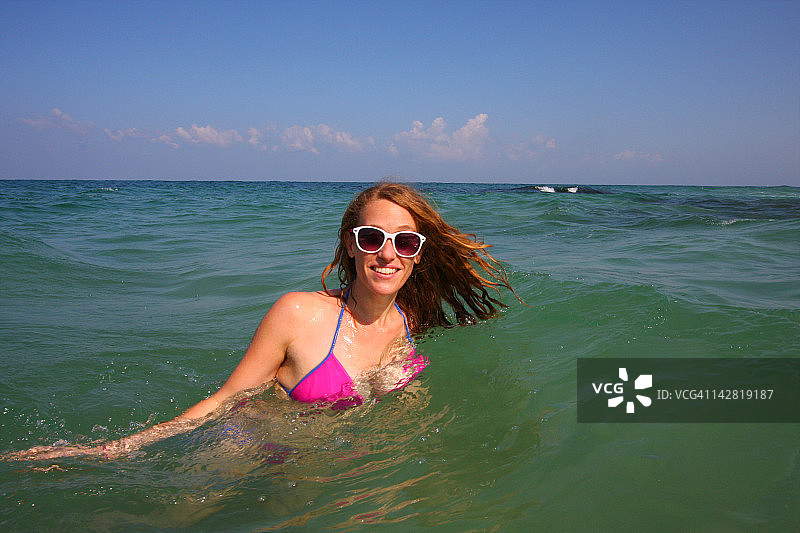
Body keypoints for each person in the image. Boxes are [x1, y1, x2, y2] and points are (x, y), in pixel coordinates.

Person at [5, 182, 517, 461]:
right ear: (349, 246)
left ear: (418, 255)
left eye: (404, 241)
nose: (387, 254)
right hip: (250, 454)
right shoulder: (299, 312)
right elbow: (226, 400)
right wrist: (121, 446)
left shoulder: (409, 319)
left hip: (337, 475)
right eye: (371, 238)